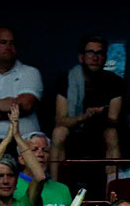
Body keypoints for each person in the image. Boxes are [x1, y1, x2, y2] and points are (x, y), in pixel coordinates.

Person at [51, 34, 124, 180]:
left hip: (100, 132)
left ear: (105, 58)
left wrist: (99, 115)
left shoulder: (115, 82)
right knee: (59, 132)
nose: (95, 57)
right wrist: (85, 116)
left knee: (112, 133)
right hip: (74, 132)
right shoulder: (67, 79)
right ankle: (54, 189)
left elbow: (114, 120)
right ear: (81, 57)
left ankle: (114, 190)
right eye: (90, 52)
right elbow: (61, 120)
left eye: (99, 53)